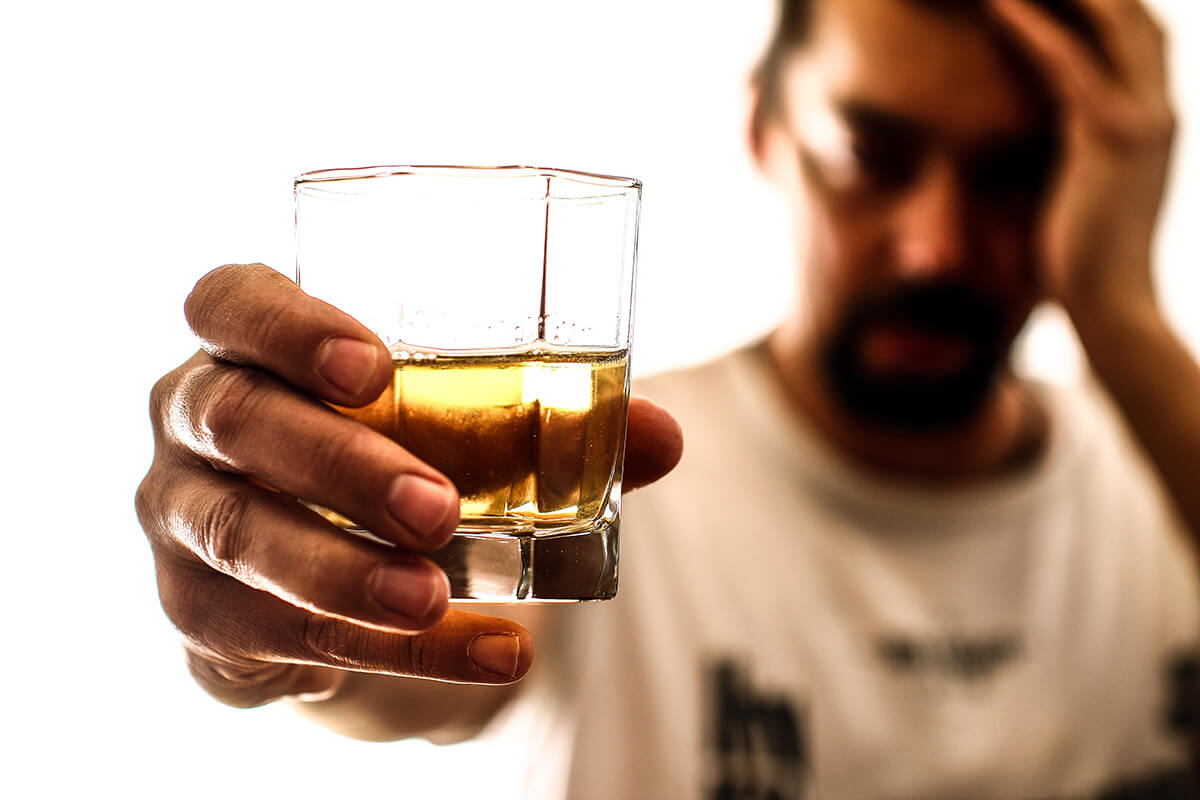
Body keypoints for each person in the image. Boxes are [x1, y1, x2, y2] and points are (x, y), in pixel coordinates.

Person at [136, 0, 1200, 796]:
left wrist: (1121, 310)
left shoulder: (1167, 463)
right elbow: (425, 652)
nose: (936, 245)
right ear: (764, 132)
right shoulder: (583, 461)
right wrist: (274, 635)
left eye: (1011, 175)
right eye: (871, 155)